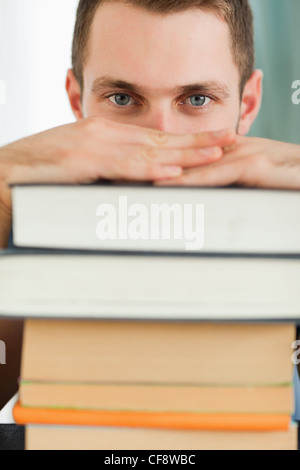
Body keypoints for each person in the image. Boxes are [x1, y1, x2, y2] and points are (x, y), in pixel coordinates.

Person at [0, 0, 300, 410]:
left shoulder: (285, 240)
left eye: (197, 100)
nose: (161, 140)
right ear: (77, 101)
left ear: (246, 105)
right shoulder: (34, 233)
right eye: (123, 98)